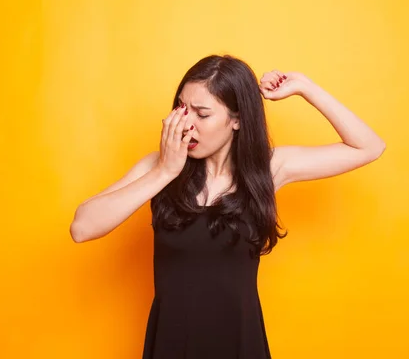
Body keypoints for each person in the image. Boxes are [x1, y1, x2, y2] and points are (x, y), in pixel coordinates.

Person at [70, 54, 386, 358]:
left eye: (202, 113)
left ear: (236, 119)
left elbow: (369, 146)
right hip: (172, 344)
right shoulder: (160, 166)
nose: (185, 124)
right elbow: (82, 227)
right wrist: (164, 172)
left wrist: (304, 86)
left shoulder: (269, 169)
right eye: (181, 108)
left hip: (239, 344)